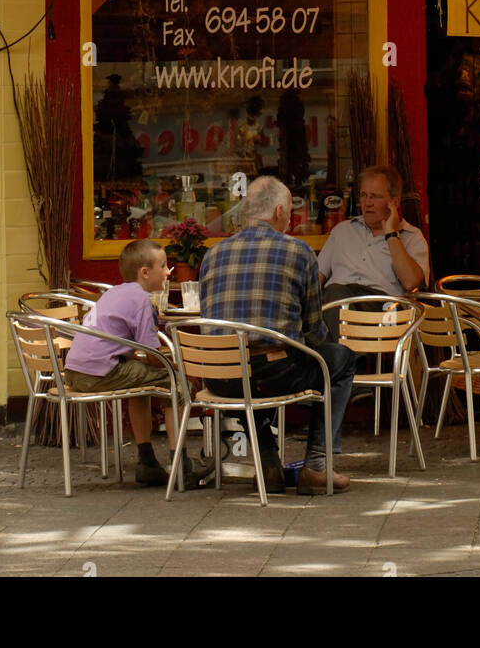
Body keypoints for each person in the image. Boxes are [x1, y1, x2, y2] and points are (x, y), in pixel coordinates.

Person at [198, 175, 356, 495]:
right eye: (289, 215)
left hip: (219, 377)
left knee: (244, 367)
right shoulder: (298, 251)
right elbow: (314, 329)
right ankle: (316, 465)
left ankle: (268, 464)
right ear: (280, 211)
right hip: (276, 372)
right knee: (339, 360)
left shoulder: (212, 255)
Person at [64, 238, 212, 487]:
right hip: (100, 373)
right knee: (176, 380)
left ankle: (147, 462)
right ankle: (182, 466)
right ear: (144, 273)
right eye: (163, 266)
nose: (168, 271)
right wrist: (177, 365)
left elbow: (133, 350)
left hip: (76, 371)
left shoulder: (115, 292)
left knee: (142, 382)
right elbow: (153, 355)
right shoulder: (142, 300)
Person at [318, 164, 430, 341]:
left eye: (375, 196)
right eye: (363, 195)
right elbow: (316, 278)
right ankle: (351, 359)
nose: (367, 203)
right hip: (338, 305)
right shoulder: (342, 231)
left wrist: (391, 235)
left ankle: (344, 361)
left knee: (334, 297)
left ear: (394, 201)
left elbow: (410, 283)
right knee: (332, 296)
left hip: (384, 311)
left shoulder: (411, 236)